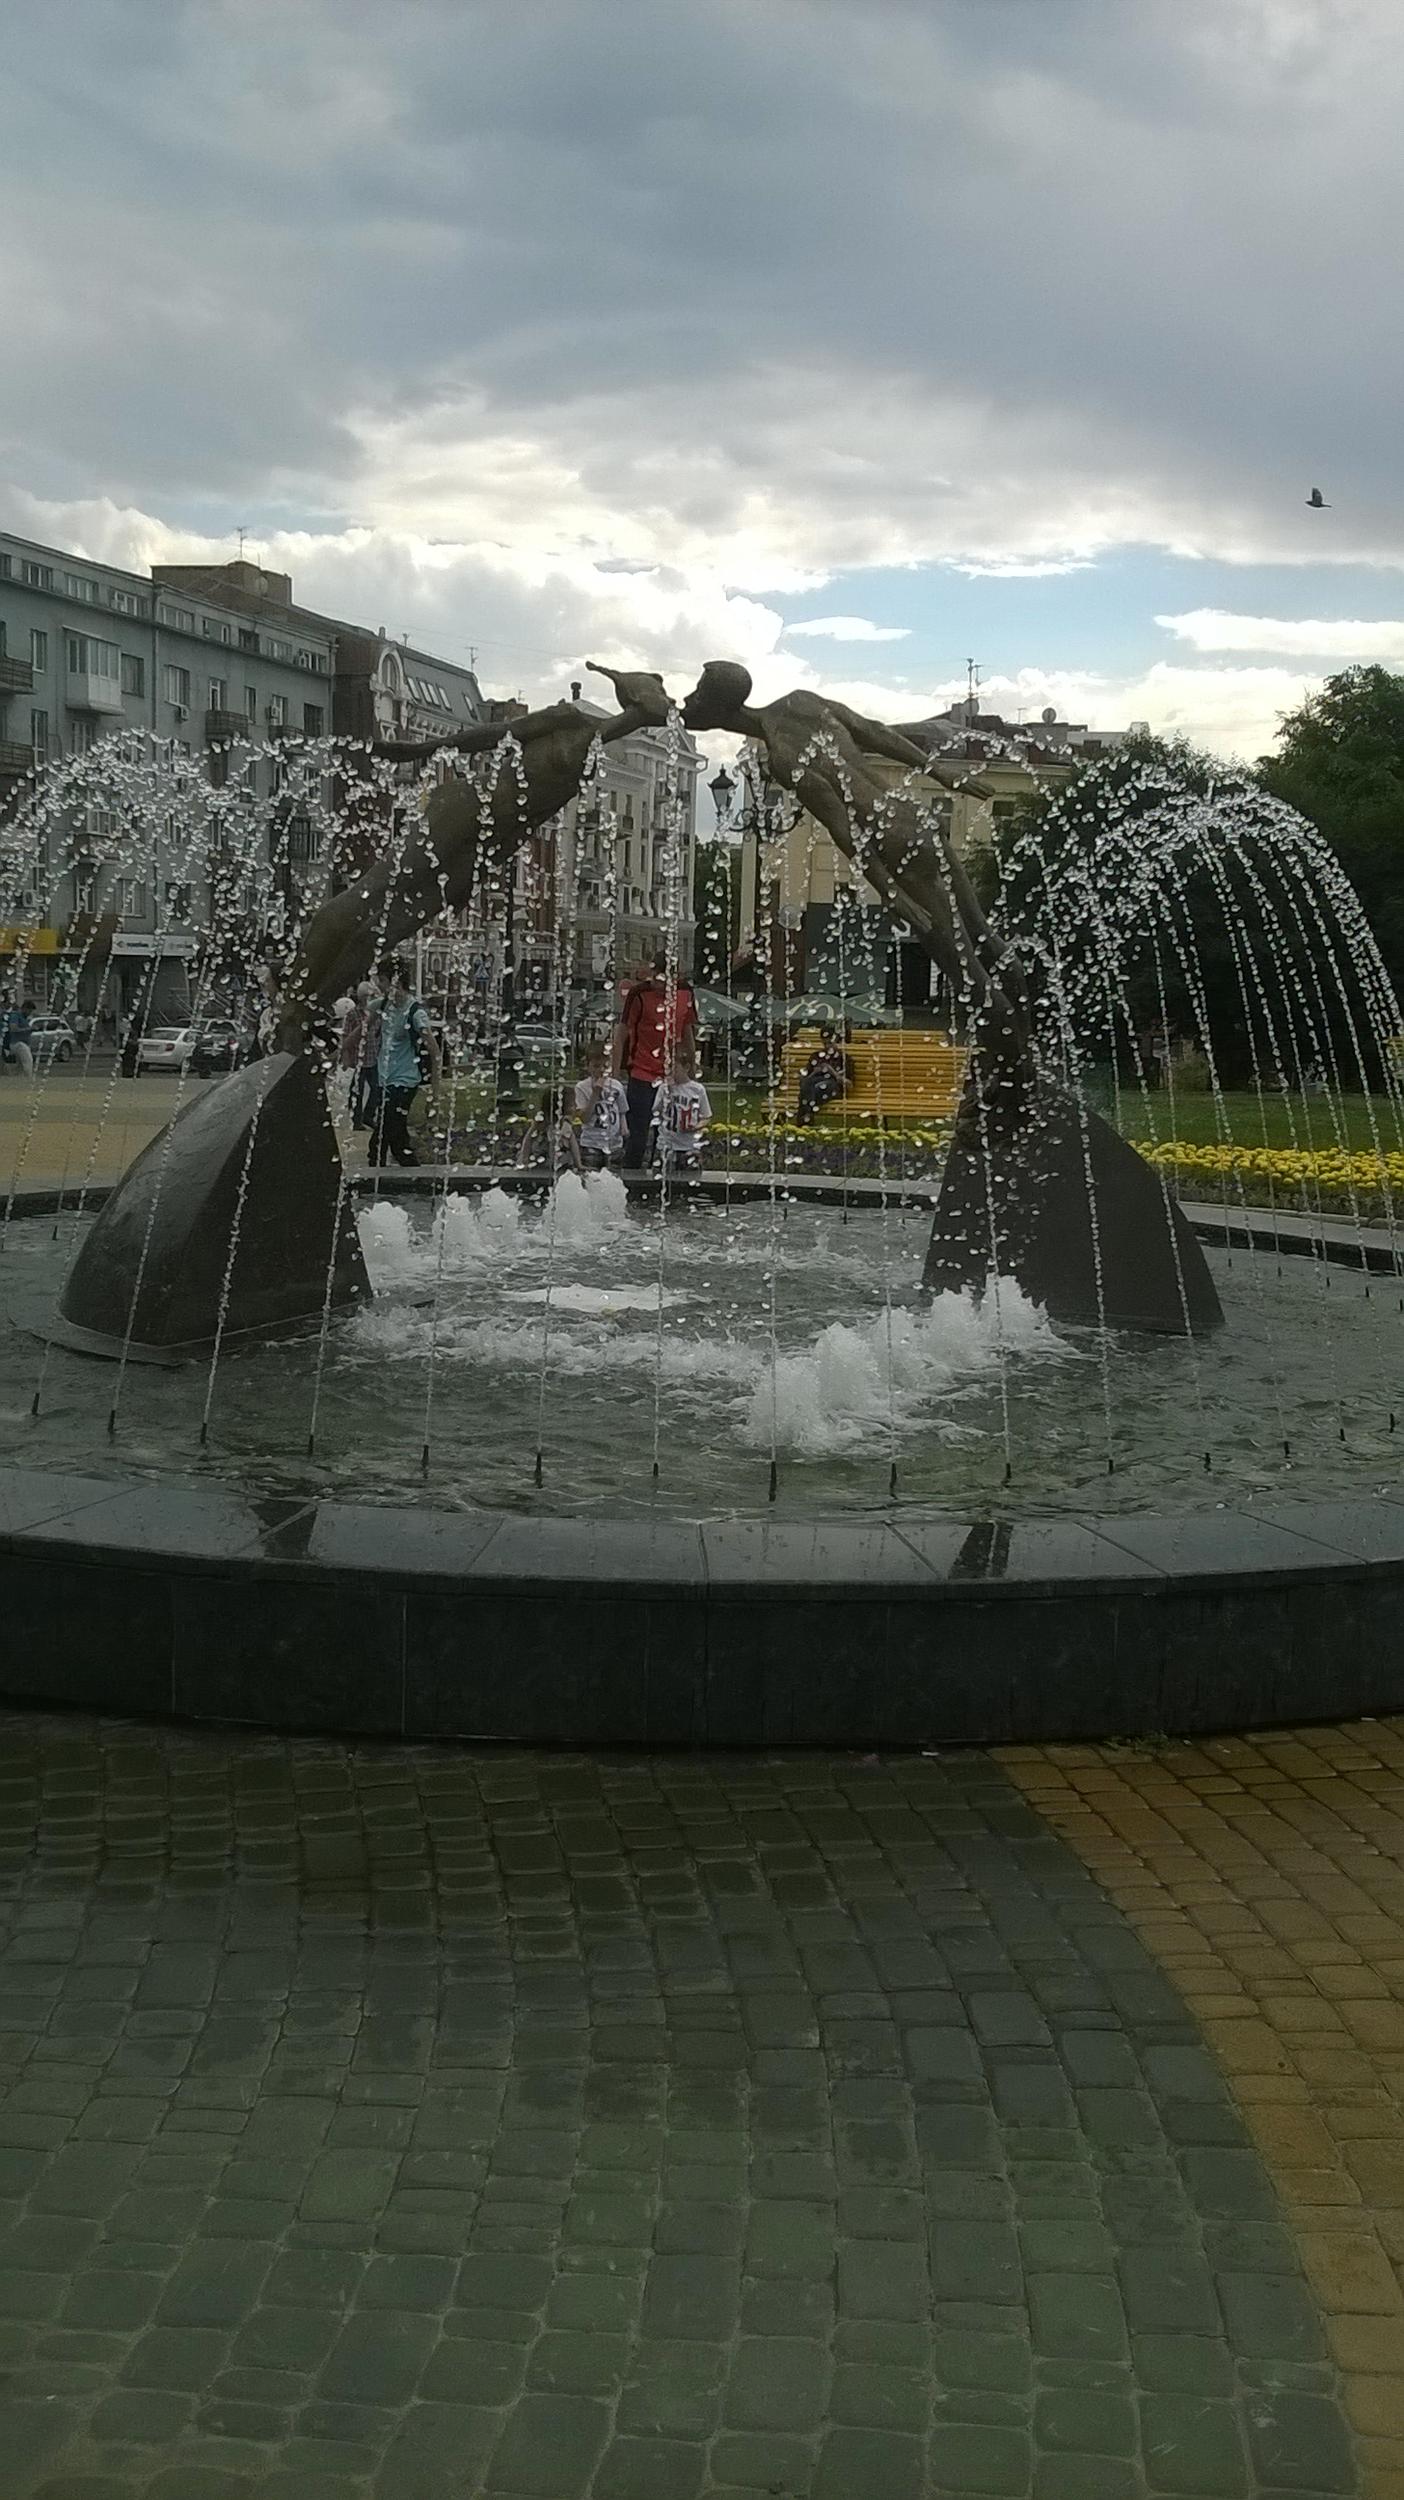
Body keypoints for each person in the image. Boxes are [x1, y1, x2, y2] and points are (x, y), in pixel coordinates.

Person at [614, 953, 698, 1171]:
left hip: (673, 1076)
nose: (658, 986)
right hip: (642, 1073)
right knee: (638, 1133)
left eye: (664, 981)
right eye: (655, 979)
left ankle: (660, 1177)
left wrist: (692, 1070)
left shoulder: (685, 992)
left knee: (670, 1133)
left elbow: (687, 1031)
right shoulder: (639, 994)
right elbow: (621, 1033)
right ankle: (631, 1176)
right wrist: (614, 1074)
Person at [368, 956, 440, 1168]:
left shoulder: (415, 1013)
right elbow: (361, 1031)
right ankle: (411, 1174)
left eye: (382, 980)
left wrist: (435, 1096)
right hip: (385, 1080)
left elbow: (435, 1053)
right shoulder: (382, 1005)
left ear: (395, 981)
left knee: (382, 1133)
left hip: (405, 1081)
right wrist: (341, 1050)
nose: (378, 986)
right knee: (396, 1135)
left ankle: (375, 1171)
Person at [652, 1044, 711, 1172]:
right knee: (664, 1177)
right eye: (668, 1068)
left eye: (675, 1068)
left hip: (689, 1145)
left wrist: (696, 1127)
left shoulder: (697, 1089)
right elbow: (656, 1111)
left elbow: (706, 1116)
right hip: (666, 1144)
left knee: (690, 1177)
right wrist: (667, 1092)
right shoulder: (663, 1088)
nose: (671, 1072)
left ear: (686, 1068)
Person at [574, 1044, 627, 1169]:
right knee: (592, 1175)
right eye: (596, 1066)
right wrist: (595, 1094)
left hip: (614, 1143)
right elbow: (584, 1118)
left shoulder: (616, 1085)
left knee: (614, 1175)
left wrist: (624, 1126)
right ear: (588, 1066)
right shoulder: (582, 1087)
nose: (601, 1070)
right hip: (591, 1143)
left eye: (605, 1066)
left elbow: (622, 1109)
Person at [519, 1083, 583, 1174]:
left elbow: (573, 1144)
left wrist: (578, 1164)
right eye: (572, 1104)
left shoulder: (565, 1123)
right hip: (540, 1159)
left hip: (558, 1161)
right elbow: (528, 1139)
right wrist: (524, 1160)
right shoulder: (541, 1121)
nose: (576, 1106)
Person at [796, 1028, 854, 1123]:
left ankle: (804, 1119)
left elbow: (849, 1085)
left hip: (833, 1087)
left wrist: (832, 1071)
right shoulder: (816, 1056)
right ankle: (807, 1117)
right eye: (825, 1044)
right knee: (808, 1085)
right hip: (813, 1084)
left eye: (830, 1043)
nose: (827, 1047)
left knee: (813, 1090)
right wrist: (814, 1072)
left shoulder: (844, 1059)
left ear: (837, 1042)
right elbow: (805, 1079)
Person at [4, 999, 35, 1078]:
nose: (30, 1013)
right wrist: (28, 1029)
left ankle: (15, 1078)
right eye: (29, 1011)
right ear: (25, 1008)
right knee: (28, 1061)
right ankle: (28, 1077)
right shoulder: (16, 1015)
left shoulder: (24, 1018)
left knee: (20, 1065)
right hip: (18, 1043)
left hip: (23, 1043)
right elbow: (13, 1028)